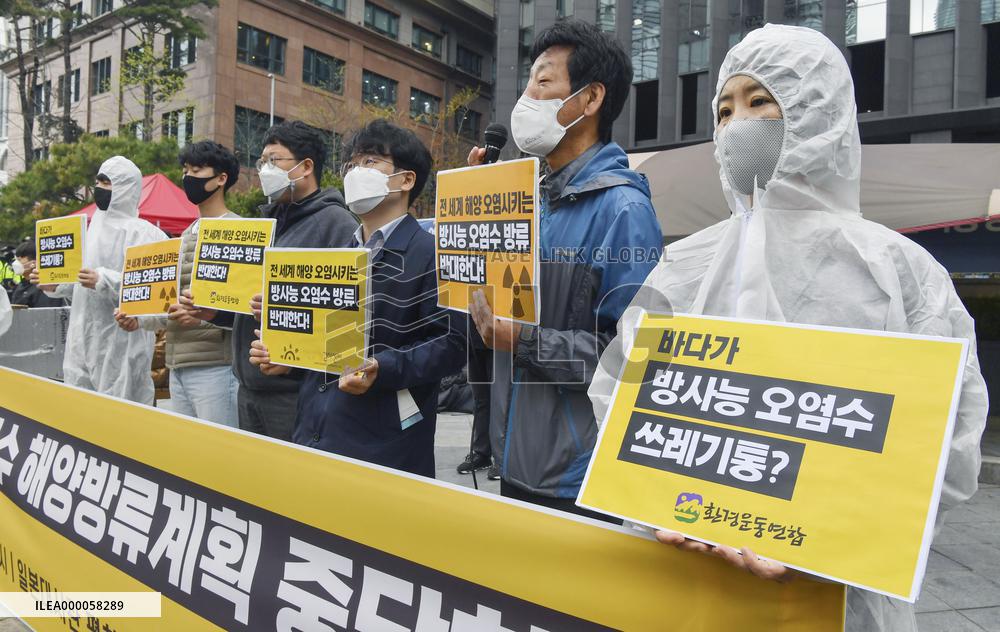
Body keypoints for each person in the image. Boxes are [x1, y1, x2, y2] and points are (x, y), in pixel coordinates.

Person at [588, 25, 988, 631]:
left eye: (760, 101)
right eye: (724, 109)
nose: (736, 124)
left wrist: (825, 542)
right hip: (681, 575)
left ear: (819, 111)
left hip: (833, 602)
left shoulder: (897, 271)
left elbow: (945, 450)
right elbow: (621, 394)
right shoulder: (685, 262)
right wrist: (657, 498)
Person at [466, 19, 662, 517]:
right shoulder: (526, 202)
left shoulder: (623, 211)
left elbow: (638, 362)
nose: (526, 96)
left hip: (578, 479)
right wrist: (472, 216)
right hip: (514, 462)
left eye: (543, 81)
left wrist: (522, 340)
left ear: (590, 99)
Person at [249, 119, 467, 477]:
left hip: (383, 445)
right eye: (351, 164)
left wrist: (382, 367)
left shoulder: (434, 253)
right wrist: (289, 359)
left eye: (369, 162)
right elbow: (324, 345)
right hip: (316, 432)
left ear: (406, 180)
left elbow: (452, 344)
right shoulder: (337, 255)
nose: (354, 172)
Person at [178, 121, 357, 440]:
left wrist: (294, 363)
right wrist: (215, 314)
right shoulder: (266, 225)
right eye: (262, 161)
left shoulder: (336, 224)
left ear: (305, 167)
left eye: (274, 160)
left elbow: (344, 316)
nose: (264, 169)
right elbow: (250, 302)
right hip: (250, 387)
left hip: (296, 392)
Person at [114, 141, 242, 427]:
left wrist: (206, 317)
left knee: (218, 454)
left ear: (222, 179)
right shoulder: (183, 236)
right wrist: (139, 319)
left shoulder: (239, 231)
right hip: (179, 364)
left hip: (217, 367)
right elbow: (168, 304)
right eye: (185, 170)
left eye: (197, 170)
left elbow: (244, 307)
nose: (188, 178)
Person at [31, 156, 166, 403]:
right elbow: (80, 284)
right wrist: (56, 283)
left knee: (119, 419)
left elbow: (153, 289)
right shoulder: (89, 230)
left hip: (122, 343)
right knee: (80, 415)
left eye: (108, 182)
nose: (100, 189)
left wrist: (104, 279)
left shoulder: (146, 233)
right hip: (81, 339)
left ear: (127, 188)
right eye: (99, 181)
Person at [11, 241, 64, 307]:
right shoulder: (22, 284)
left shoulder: (44, 286)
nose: (15, 263)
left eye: (19, 260)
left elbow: (44, 313)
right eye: (15, 259)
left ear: (33, 263)